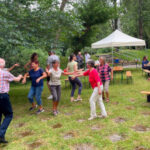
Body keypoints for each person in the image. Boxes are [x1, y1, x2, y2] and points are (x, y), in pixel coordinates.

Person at [0, 58, 22, 143]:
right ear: (4, 65)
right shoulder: (5, 73)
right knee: (9, 115)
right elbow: (16, 80)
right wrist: (20, 76)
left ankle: (1, 138)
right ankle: (1, 134)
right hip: (3, 96)